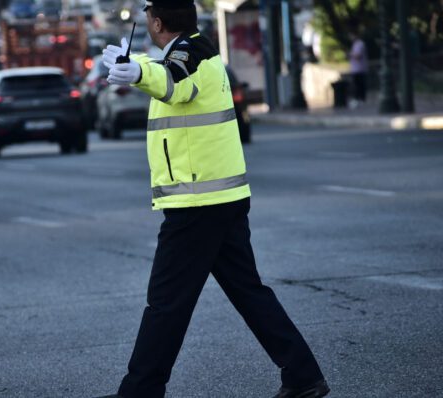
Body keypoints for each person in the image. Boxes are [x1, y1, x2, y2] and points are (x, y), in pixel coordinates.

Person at [96, 1, 329, 397]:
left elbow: (172, 80)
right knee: (248, 293)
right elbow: (168, 69)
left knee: (166, 303)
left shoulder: (191, 55)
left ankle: (139, 391)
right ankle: (304, 376)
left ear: (155, 22)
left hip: (197, 204)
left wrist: (136, 72)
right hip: (220, 198)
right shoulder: (197, 48)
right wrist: (134, 61)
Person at [348, 30, 368, 109]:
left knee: (359, 85)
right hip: (355, 69)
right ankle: (359, 100)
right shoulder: (355, 44)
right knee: (357, 85)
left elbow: (358, 56)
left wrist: (350, 54)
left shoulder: (360, 44)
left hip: (359, 69)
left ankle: (360, 100)